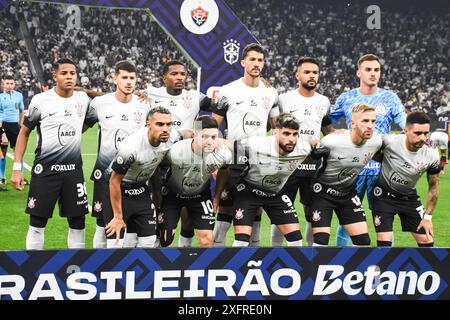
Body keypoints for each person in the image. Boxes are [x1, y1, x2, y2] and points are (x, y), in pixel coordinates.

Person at [10, 58, 91, 250]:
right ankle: (34, 268)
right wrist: (17, 168)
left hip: (73, 172)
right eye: (64, 73)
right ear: (55, 76)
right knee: (37, 221)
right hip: (46, 171)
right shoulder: (41, 100)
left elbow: (89, 119)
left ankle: (76, 270)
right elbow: (24, 132)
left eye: (72, 73)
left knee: (78, 221)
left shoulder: (82, 99)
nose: (69, 76)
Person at [329, 54, 406, 246]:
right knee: (347, 219)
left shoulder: (390, 98)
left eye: (376, 70)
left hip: (381, 170)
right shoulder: (347, 98)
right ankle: (342, 261)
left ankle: (384, 263)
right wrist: (334, 133)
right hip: (352, 168)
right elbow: (326, 120)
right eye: (368, 69)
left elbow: (405, 124)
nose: (373, 73)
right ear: (358, 72)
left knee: (384, 220)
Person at [218, 113, 328, 247]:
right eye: (286, 134)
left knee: (296, 241)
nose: (291, 139)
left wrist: (317, 144)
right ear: (276, 132)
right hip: (249, 193)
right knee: (241, 241)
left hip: (275, 194)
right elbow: (227, 144)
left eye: (295, 134)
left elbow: (312, 144)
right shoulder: (257, 144)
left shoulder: (302, 148)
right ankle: (233, 267)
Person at [211, 43, 279, 247]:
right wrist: (213, 161)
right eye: (252, 59)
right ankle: (215, 258)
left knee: (255, 209)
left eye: (260, 60)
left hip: (258, 160)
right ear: (243, 62)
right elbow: (213, 127)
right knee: (225, 208)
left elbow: (275, 129)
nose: (256, 64)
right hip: (231, 158)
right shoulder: (227, 91)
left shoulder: (271, 93)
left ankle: (252, 259)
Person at [144, 60, 213, 247]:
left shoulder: (195, 97)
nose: (180, 78)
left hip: (187, 163)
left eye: (183, 74)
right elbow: (121, 97)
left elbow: (222, 105)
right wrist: (85, 92)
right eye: (174, 74)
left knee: (188, 217)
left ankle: (185, 255)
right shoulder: (151, 94)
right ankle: (156, 247)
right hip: (159, 163)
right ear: (164, 77)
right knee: (159, 211)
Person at [84, 60, 150, 248]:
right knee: (101, 224)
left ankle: (121, 266)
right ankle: (100, 264)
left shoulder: (144, 105)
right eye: (124, 77)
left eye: (132, 78)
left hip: (132, 175)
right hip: (105, 173)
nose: (128, 82)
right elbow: (82, 127)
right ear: (115, 79)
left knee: (126, 224)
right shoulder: (99, 104)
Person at [272, 56, 333, 246]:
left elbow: (326, 130)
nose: (311, 75)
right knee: (282, 210)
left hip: (313, 166)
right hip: (288, 165)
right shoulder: (283, 99)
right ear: (297, 75)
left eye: (315, 72)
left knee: (311, 212)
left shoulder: (324, 101)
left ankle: (309, 255)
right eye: (307, 72)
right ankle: (275, 251)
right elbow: (274, 128)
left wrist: (335, 135)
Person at [308, 103, 382, 247]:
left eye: (373, 121)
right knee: (321, 243)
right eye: (365, 121)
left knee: (363, 243)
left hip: (348, 194)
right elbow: (311, 146)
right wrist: (314, 144)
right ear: (352, 123)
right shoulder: (332, 141)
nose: (370, 126)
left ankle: (352, 269)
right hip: (323, 194)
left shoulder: (376, 141)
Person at [105, 106, 178, 248]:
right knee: (116, 243)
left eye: (169, 124)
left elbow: (187, 133)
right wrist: (118, 217)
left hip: (139, 189)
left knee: (149, 241)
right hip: (118, 188)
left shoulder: (172, 137)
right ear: (148, 124)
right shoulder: (131, 148)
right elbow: (114, 181)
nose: (165, 129)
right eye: (160, 124)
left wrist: (198, 135)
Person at [157, 115, 232, 248]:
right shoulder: (175, 152)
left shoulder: (223, 154)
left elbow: (224, 172)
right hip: (172, 195)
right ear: (195, 134)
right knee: (165, 239)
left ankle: (205, 267)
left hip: (200, 195)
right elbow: (158, 169)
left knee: (207, 239)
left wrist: (216, 197)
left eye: (214, 137)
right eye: (205, 137)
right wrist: (157, 195)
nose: (210, 142)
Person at [372, 112, 440, 247]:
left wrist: (427, 218)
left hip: (409, 198)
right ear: (405, 131)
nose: (423, 138)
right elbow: (362, 144)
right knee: (384, 243)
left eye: (426, 133)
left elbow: (433, 186)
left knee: (427, 241)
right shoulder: (389, 141)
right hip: (383, 197)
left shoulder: (432, 153)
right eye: (418, 133)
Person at [0, 75, 25, 191]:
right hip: (3, 126)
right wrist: (2, 132)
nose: (9, 85)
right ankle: (2, 177)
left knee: (18, 153)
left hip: (15, 127)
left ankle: (21, 176)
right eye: (7, 83)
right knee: (2, 154)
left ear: (14, 84)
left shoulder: (18, 95)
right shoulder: (0, 97)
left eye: (11, 83)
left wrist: (21, 124)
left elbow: (21, 110)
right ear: (4, 84)